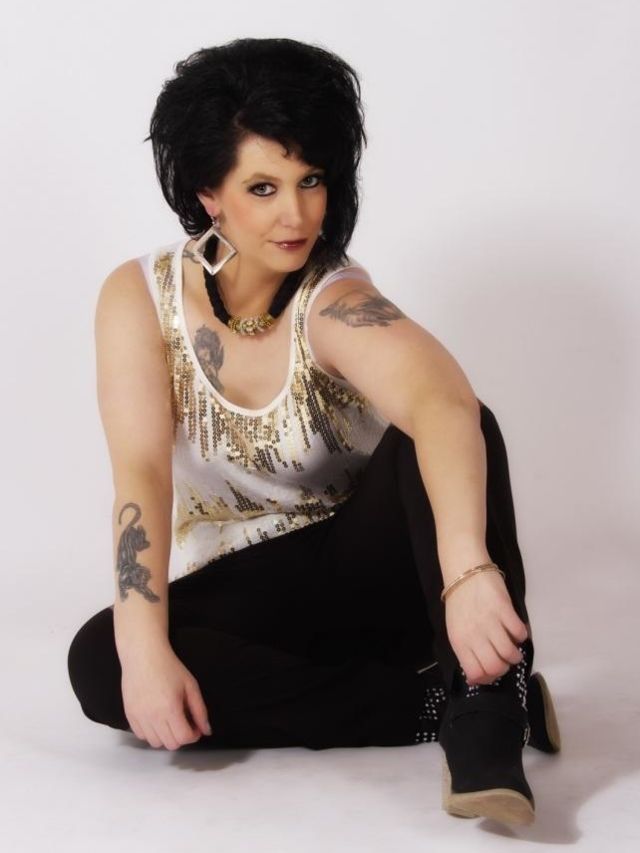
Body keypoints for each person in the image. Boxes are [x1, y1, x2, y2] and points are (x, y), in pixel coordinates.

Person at [67, 37, 561, 827]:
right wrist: (144, 650)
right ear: (208, 193)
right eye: (262, 187)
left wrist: (467, 569)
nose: (295, 215)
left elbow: (439, 399)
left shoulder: (334, 299)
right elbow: (142, 473)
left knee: (457, 423)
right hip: (257, 599)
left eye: (312, 180)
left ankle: (488, 709)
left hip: (379, 576)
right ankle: (424, 707)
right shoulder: (140, 298)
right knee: (102, 659)